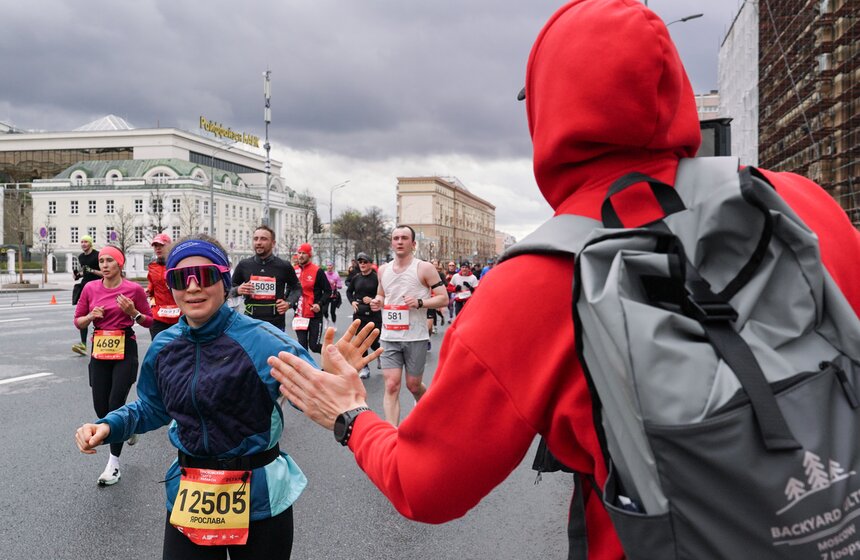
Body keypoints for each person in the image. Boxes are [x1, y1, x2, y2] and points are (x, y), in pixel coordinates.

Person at [265, 1, 860, 558]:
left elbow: (425, 486)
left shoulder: (539, 278)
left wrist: (351, 415)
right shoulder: (798, 205)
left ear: (550, 112)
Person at [74, 235, 381, 560]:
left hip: (258, 497)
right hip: (191, 492)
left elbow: (315, 397)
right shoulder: (163, 347)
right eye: (180, 278)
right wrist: (109, 426)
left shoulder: (265, 341)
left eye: (205, 276)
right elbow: (152, 407)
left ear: (224, 281)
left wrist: (330, 377)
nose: (193, 287)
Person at [73, 245, 153, 485]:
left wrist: (133, 313)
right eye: (101, 261)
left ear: (120, 263)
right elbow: (78, 321)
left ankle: (113, 465)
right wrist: (91, 316)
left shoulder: (133, 289)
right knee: (101, 409)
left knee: (115, 405)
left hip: (125, 348)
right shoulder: (90, 288)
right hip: (100, 349)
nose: (105, 265)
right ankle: (128, 427)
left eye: (109, 260)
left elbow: (149, 321)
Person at [368, 226, 448, 425]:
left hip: (416, 336)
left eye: (404, 238)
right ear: (391, 243)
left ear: (413, 244)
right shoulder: (383, 270)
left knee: (413, 385)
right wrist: (377, 301)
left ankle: (429, 411)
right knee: (391, 385)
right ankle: (392, 433)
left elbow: (444, 298)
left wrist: (420, 302)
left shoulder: (424, 268)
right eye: (396, 238)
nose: (399, 241)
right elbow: (382, 294)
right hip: (389, 336)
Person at [230, 225, 300, 331]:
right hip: (250, 323)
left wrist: (288, 303)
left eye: (263, 239)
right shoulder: (244, 265)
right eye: (255, 239)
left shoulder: (284, 265)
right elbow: (228, 289)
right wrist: (237, 290)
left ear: (273, 243)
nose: (258, 242)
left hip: (276, 324)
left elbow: (296, 288)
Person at [346, 252, 382, 379]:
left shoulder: (376, 278)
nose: (362, 264)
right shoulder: (356, 278)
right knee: (361, 341)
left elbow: (383, 294)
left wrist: (373, 299)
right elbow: (349, 292)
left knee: (373, 341)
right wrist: (352, 302)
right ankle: (365, 367)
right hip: (359, 313)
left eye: (365, 262)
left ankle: (379, 354)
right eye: (360, 262)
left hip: (374, 314)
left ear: (370, 264)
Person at [293, 243, 331, 353]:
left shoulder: (317, 271)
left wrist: (319, 304)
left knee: (314, 346)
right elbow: (290, 289)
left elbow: (328, 291)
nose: (300, 256)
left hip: (314, 315)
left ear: (309, 255)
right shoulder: (294, 270)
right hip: (299, 315)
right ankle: (306, 365)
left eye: (304, 253)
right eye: (299, 253)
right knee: (302, 348)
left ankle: (332, 354)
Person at [72, 235, 102, 355]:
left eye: (86, 242)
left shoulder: (97, 255)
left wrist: (92, 270)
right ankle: (83, 344)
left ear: (90, 243)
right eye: (82, 242)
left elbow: (104, 273)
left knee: (99, 315)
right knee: (83, 316)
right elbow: (85, 272)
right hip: (85, 288)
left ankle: (101, 341)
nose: (83, 244)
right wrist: (77, 275)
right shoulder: (81, 257)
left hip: (98, 288)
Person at [146, 233, 180, 338]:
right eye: (155, 246)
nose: (158, 248)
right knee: (158, 345)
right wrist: (149, 290)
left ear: (169, 246)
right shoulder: (152, 266)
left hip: (178, 316)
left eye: (161, 245)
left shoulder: (177, 265)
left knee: (179, 346)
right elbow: (152, 283)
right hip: (158, 316)